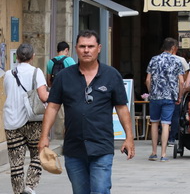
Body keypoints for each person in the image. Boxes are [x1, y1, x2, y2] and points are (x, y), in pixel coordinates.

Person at [39, 30, 135, 194]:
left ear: (99, 48)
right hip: (73, 147)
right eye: (82, 46)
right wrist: (44, 136)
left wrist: (129, 137)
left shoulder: (111, 75)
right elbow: (53, 107)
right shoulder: (64, 76)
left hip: (101, 146)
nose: (86, 50)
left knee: (100, 189)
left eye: (90, 46)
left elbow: (121, 107)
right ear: (76, 48)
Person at [4, 43, 49, 194]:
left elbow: (9, 92)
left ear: (17, 56)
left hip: (12, 122)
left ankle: (18, 192)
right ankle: (30, 186)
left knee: (15, 163)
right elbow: (43, 96)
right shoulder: (36, 72)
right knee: (38, 154)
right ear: (33, 57)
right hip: (33, 121)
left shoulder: (9, 74)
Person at [145, 37, 184, 161]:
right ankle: (163, 154)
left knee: (154, 123)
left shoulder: (154, 59)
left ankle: (153, 152)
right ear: (173, 48)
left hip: (155, 96)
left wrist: (151, 92)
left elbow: (147, 79)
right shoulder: (177, 61)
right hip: (169, 96)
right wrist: (179, 96)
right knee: (166, 124)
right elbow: (181, 82)